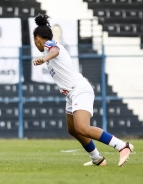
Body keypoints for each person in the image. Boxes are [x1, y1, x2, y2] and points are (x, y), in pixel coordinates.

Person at [32, 14, 134, 167]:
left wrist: (44, 59)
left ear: (38, 38)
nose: (35, 44)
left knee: (82, 127)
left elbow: (55, 50)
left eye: (35, 40)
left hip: (79, 89)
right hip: (70, 94)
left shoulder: (50, 46)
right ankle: (97, 158)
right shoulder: (47, 51)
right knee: (73, 130)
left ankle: (122, 146)